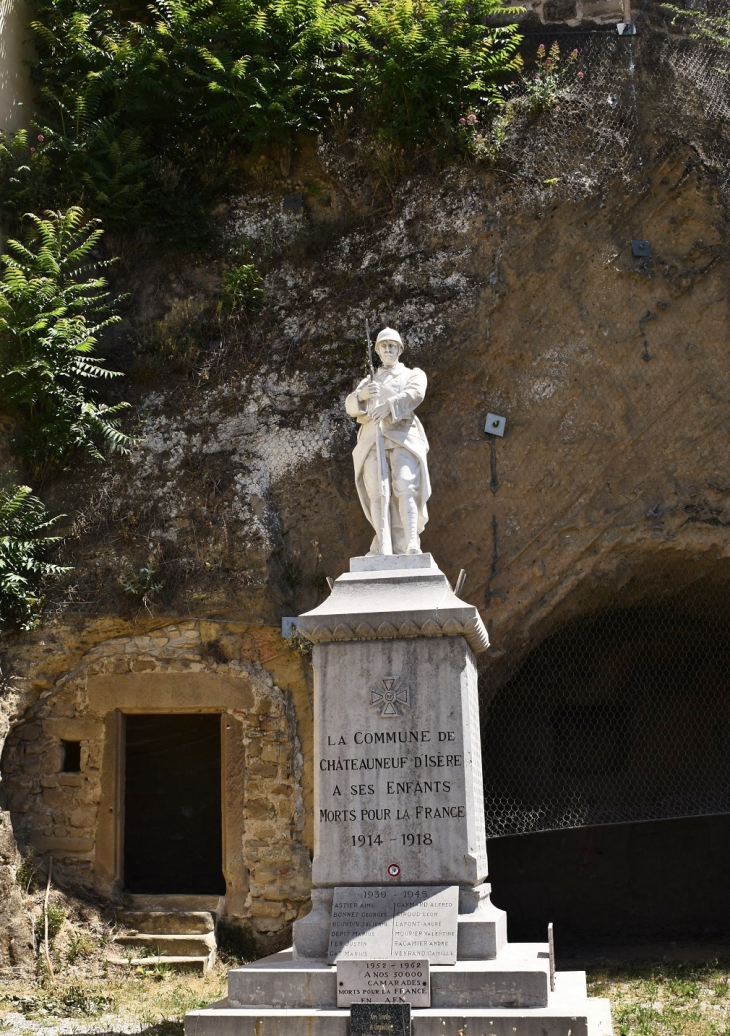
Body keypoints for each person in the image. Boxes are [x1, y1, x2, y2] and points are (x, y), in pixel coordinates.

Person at [345, 327, 431, 556]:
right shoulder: (369, 380)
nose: (388, 349)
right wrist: (361, 396)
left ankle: (411, 542)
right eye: (383, 346)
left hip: (402, 436)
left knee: (405, 486)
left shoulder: (412, 374)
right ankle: (383, 544)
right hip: (373, 439)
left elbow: (416, 393)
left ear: (400, 349)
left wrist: (389, 406)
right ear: (377, 351)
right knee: (377, 492)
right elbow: (350, 406)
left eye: (392, 345)